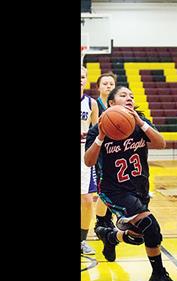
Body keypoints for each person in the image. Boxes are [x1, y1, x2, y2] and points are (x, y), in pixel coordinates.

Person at [84, 86, 177, 281]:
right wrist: (101, 136)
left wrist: (140, 123)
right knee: (150, 226)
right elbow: (88, 161)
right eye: (123, 95)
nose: (129, 98)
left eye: (131, 95)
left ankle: (109, 236)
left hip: (139, 188)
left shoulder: (140, 123)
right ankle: (158, 275)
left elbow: (161, 143)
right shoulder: (98, 129)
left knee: (138, 235)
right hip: (113, 190)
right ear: (110, 104)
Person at [93, 72, 118, 234]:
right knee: (104, 188)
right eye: (105, 84)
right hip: (99, 152)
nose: (108, 86)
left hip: (115, 151)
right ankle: (101, 222)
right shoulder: (94, 105)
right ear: (98, 87)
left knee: (114, 187)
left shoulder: (118, 106)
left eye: (111, 84)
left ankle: (108, 219)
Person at [81, 65, 99, 255]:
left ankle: (82, 240)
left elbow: (97, 131)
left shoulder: (91, 103)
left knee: (86, 200)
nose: (80, 79)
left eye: (83, 76)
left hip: (83, 153)